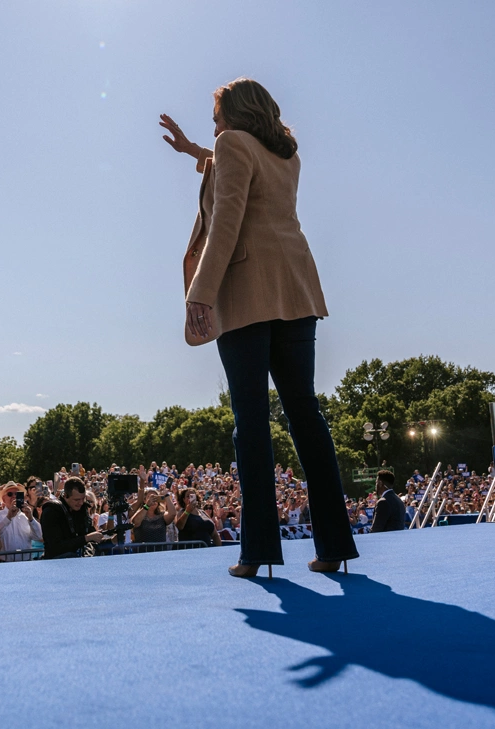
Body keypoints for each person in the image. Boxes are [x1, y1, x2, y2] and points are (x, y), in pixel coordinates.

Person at [161, 78, 357, 578]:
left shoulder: (233, 145)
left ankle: (258, 552)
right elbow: (237, 165)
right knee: (306, 417)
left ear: (235, 114)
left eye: (216, 116)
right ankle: (333, 547)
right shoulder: (285, 154)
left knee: (250, 423)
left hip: (247, 291)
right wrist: (193, 152)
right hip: (296, 288)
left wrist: (199, 292)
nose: (214, 126)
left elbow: (228, 213)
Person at [40, 477, 105, 559]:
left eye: (83, 499)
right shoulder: (51, 512)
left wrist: (112, 540)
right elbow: (55, 547)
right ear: (65, 495)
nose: (81, 503)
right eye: (77, 500)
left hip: (78, 563)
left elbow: (92, 536)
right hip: (57, 564)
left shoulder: (81, 510)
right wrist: (86, 538)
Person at [0, 482, 42, 554]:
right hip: (5, 562)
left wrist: (31, 518)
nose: (14, 496)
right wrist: (8, 517)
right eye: (10, 494)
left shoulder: (25, 515)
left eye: (17, 494)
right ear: (3, 499)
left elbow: (38, 536)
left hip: (25, 562)